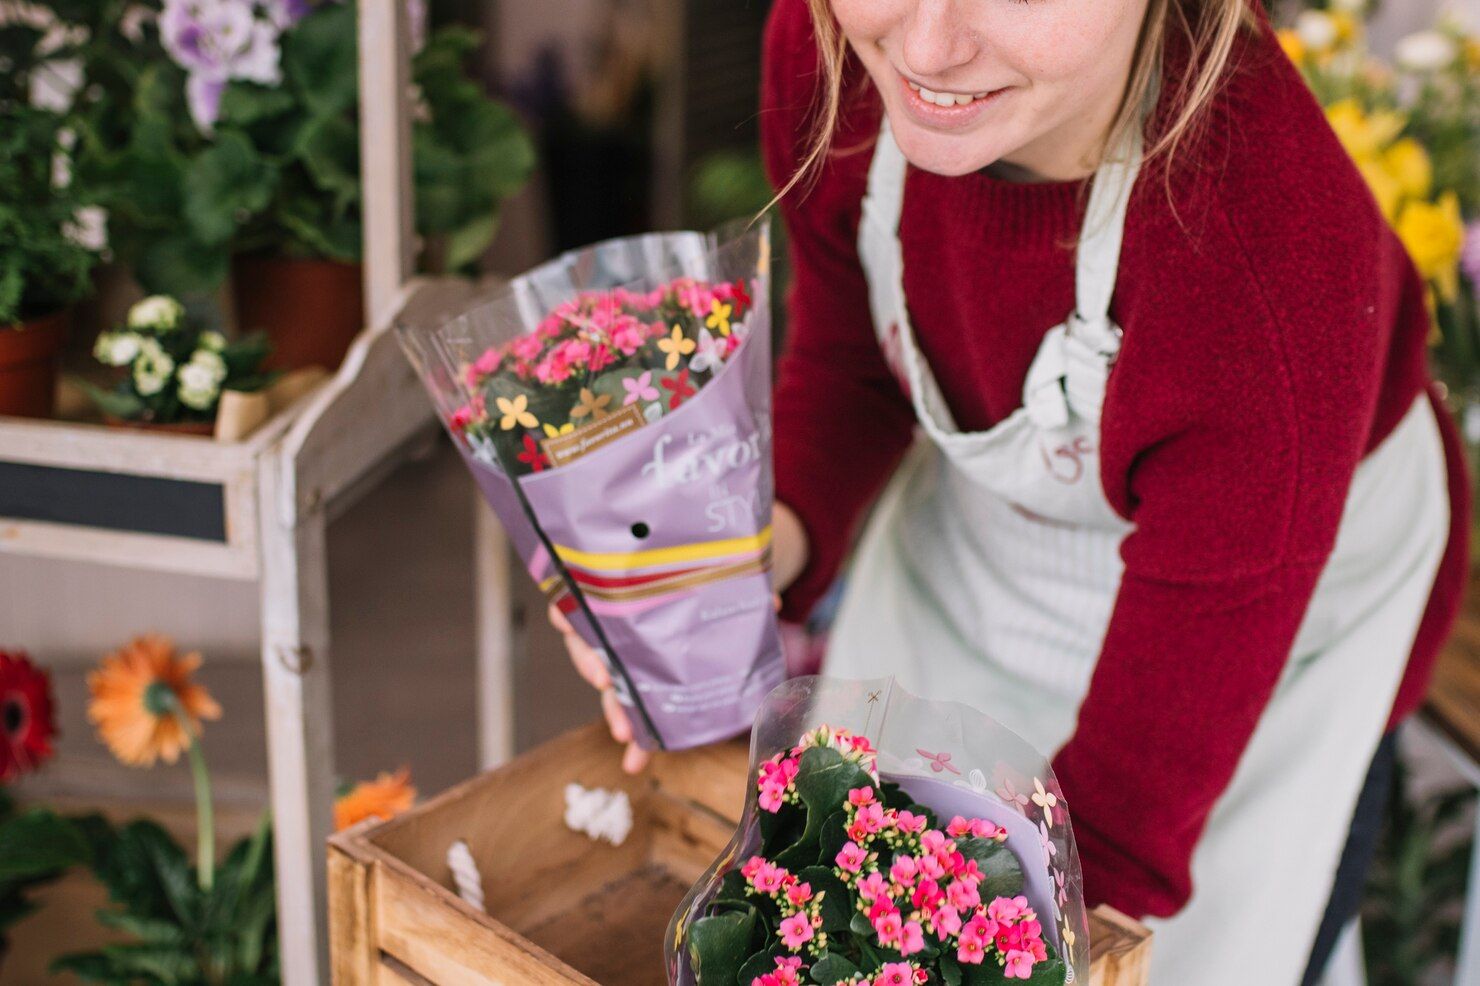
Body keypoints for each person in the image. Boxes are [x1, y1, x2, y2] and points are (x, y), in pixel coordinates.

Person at [553, 0, 1471, 981]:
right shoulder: (834, 46)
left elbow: (1121, 822)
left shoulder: (1262, 257)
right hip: (991, 550)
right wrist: (742, 557)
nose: (927, 47)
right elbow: (854, 357)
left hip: (1265, 621)